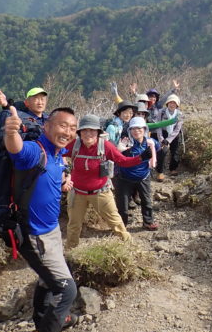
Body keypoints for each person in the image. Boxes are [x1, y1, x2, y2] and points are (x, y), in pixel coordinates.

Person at [3, 105, 78, 332]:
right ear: (47, 126)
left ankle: (42, 320)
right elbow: (18, 151)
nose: (68, 131)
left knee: (48, 281)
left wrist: (64, 179)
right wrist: (11, 132)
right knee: (66, 290)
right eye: (62, 125)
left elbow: (52, 175)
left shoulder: (58, 153)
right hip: (36, 236)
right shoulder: (38, 150)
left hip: (51, 230)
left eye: (72, 127)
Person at [65, 114, 149, 249]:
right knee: (74, 225)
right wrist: (63, 173)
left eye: (92, 130)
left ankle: (130, 248)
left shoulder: (105, 146)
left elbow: (122, 161)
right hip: (77, 193)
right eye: (85, 130)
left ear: (98, 132)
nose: (88, 134)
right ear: (79, 133)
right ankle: (69, 252)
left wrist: (141, 158)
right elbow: (56, 153)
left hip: (100, 192)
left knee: (115, 222)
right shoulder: (74, 145)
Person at [114, 117, 160, 231]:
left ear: (144, 129)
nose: (136, 131)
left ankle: (148, 222)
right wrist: (121, 150)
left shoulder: (150, 143)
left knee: (147, 201)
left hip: (143, 176)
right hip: (124, 178)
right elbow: (116, 156)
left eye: (139, 128)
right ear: (129, 130)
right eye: (133, 128)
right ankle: (122, 226)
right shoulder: (125, 143)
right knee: (122, 204)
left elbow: (158, 148)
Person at [156, 94, 185, 177]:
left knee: (175, 152)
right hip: (163, 134)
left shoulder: (179, 114)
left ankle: (173, 169)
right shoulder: (161, 112)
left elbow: (177, 129)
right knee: (162, 152)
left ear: (177, 105)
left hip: (174, 135)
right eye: (170, 102)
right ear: (167, 103)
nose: (172, 104)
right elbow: (158, 126)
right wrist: (161, 139)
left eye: (174, 103)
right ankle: (160, 172)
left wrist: (168, 140)